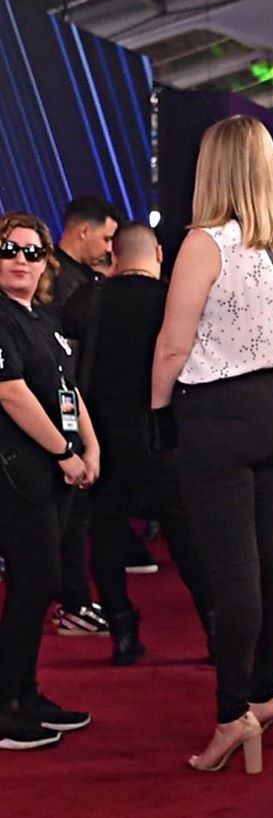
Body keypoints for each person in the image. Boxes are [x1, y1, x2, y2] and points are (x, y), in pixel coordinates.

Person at [151, 117, 273, 774]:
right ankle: (268, 693)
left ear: (210, 169)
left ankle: (233, 712)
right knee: (268, 561)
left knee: (232, 572)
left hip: (217, 413)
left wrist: (158, 411)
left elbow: (173, 344)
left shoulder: (204, 242)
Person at [62, 221, 214, 664]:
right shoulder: (172, 300)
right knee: (186, 536)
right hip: (162, 433)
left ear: (114, 256)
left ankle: (123, 635)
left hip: (101, 436)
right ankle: (216, 631)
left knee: (106, 535)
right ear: (159, 255)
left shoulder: (88, 300)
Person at [0, 212, 98, 750]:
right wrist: (64, 451)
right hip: (18, 471)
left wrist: (90, 446)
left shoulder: (45, 320)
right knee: (34, 582)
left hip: (54, 472)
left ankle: (26, 693)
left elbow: (68, 389)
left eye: (32, 252)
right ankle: (7, 706)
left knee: (38, 583)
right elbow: (10, 392)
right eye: (10, 250)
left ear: (46, 263)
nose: (21, 260)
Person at [50, 196, 121, 637]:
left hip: (72, 406)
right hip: (55, 409)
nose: (110, 247)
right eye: (107, 237)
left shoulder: (81, 281)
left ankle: (72, 599)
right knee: (69, 510)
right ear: (83, 230)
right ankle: (71, 601)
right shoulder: (61, 285)